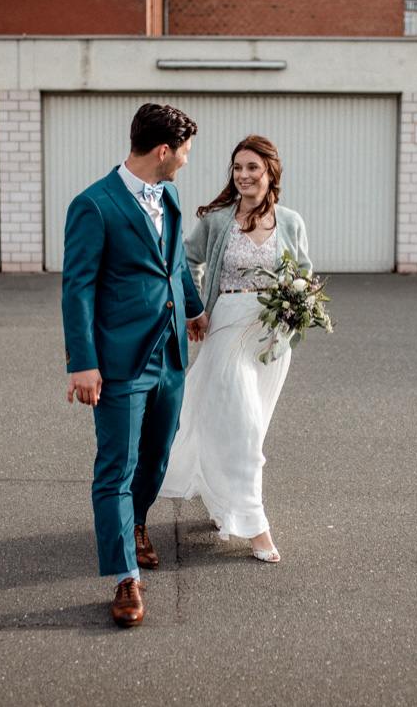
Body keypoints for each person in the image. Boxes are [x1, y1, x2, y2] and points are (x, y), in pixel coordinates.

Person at [62, 103, 209, 628]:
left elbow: (171, 264)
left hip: (169, 351)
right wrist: (83, 362)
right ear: (163, 151)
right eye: (185, 152)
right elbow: (76, 287)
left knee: (157, 453)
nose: (188, 162)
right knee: (115, 469)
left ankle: (137, 521)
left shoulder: (167, 193)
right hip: (119, 360)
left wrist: (192, 308)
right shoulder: (93, 205)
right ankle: (126, 576)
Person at [159, 135, 311, 563]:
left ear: (270, 174)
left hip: (272, 340)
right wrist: (193, 310)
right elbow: (184, 261)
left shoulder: (291, 221)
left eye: (252, 168)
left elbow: (304, 273)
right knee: (244, 428)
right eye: (238, 168)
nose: (243, 176)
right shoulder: (218, 220)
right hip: (226, 326)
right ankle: (254, 525)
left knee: (249, 427)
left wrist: (300, 309)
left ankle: (224, 500)